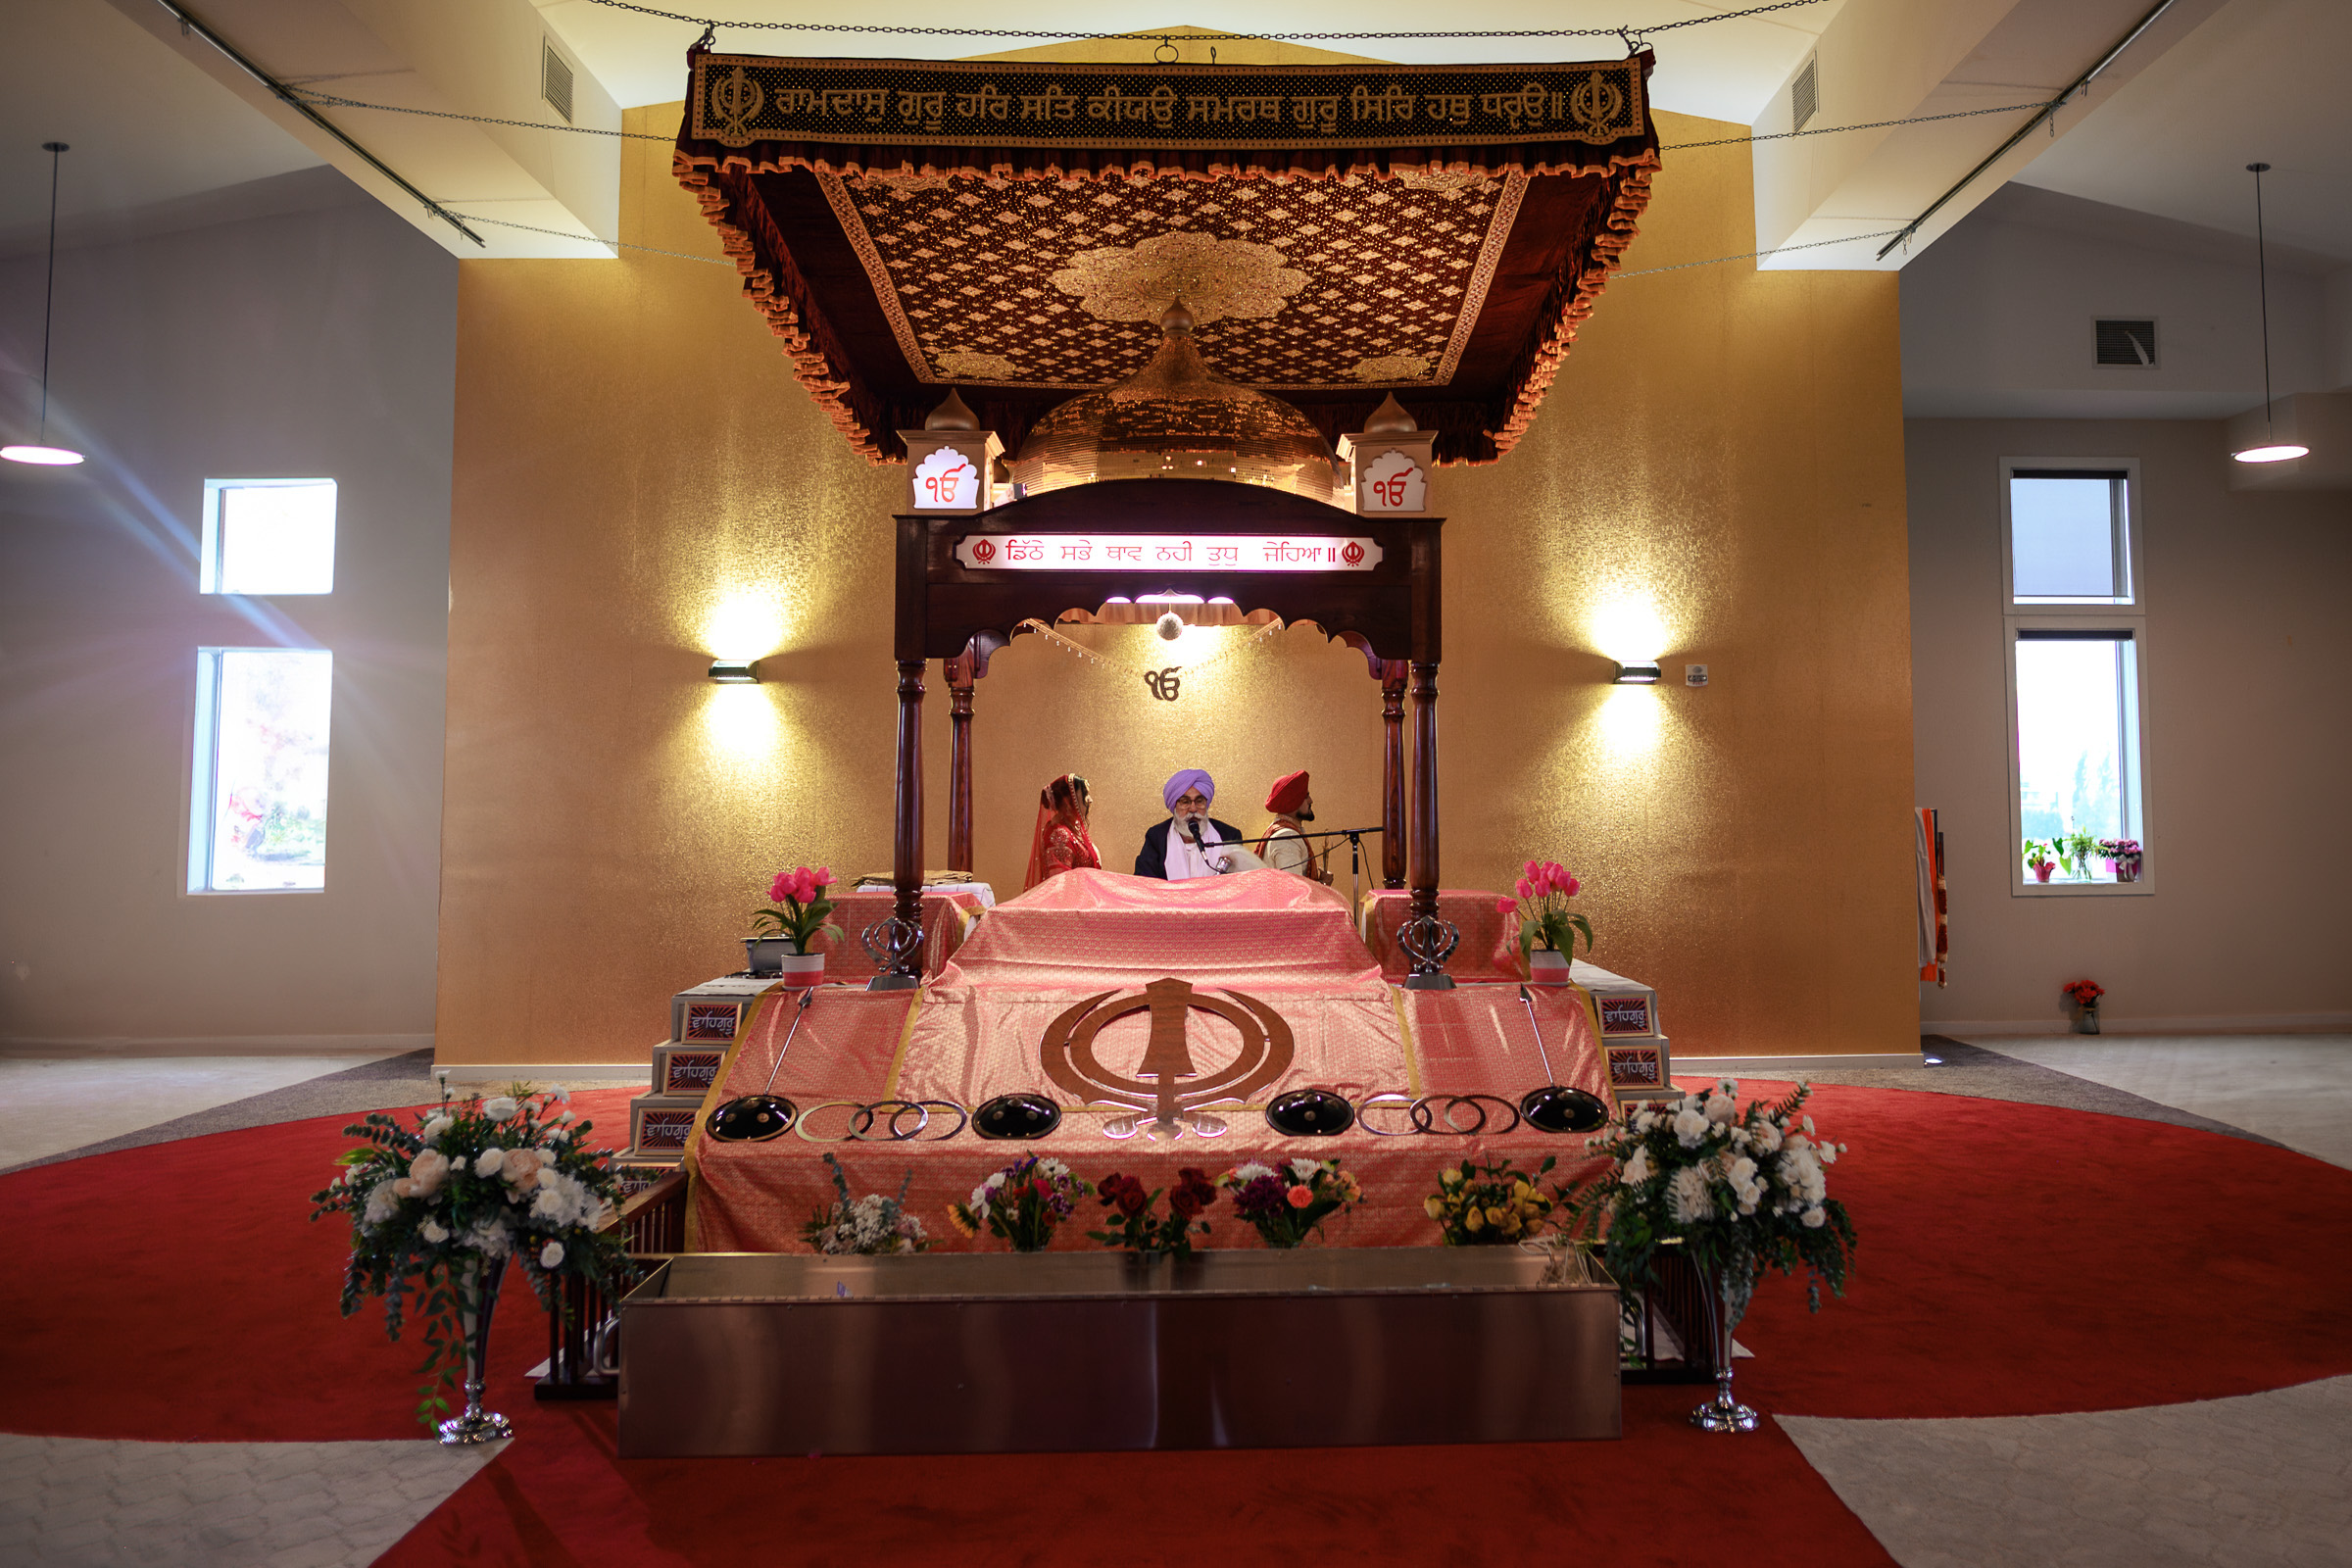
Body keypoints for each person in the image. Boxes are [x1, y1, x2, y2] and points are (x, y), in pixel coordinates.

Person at [1133, 768, 1246, 880]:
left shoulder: (1229, 836)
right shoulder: (1156, 837)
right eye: (1185, 802)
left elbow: (1239, 885)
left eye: (1199, 801)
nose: (1193, 809)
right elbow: (1144, 884)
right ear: (1174, 806)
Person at [1023, 773, 1101, 891]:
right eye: (1085, 795)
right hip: (1072, 904)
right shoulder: (1059, 835)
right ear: (1068, 803)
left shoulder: (1073, 831)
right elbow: (1061, 887)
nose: (1090, 800)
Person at [1257, 769, 1331, 883]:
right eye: (1306, 796)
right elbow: (1292, 890)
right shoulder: (1287, 837)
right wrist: (1324, 884)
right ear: (1293, 802)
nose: (1311, 801)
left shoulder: (1284, 831)